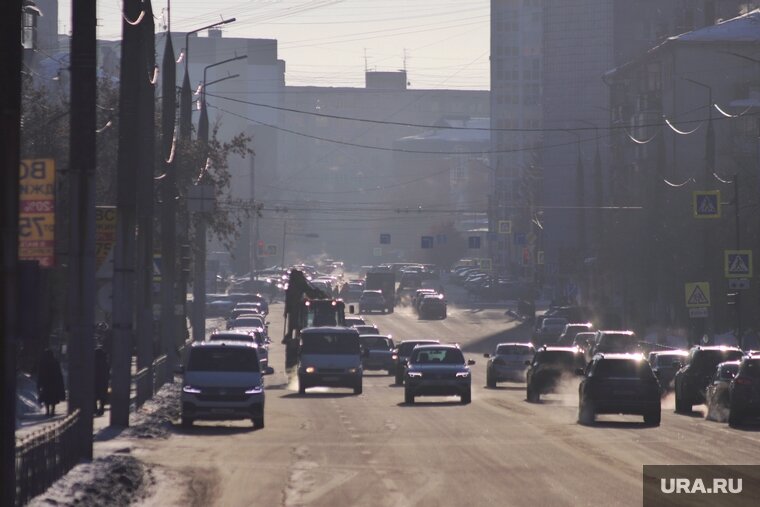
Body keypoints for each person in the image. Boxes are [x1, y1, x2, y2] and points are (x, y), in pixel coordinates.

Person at [37, 348, 66, 416]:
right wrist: (60, 383)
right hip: (54, 383)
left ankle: (47, 411)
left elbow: (40, 374)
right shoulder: (55, 362)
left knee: (47, 398)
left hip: (46, 384)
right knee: (53, 398)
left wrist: (39, 384)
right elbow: (59, 374)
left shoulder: (43, 362)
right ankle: (52, 410)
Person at [94, 345, 110, 416]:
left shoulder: (93, 363)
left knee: (94, 395)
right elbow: (107, 372)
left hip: (95, 381)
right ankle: (101, 408)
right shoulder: (105, 362)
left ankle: (95, 408)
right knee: (102, 396)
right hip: (103, 382)